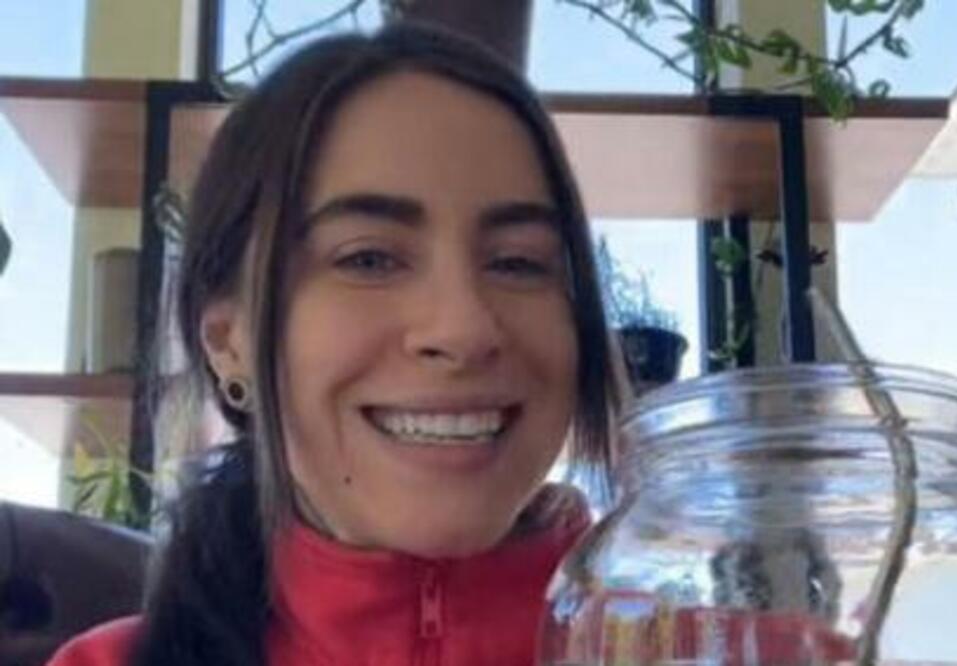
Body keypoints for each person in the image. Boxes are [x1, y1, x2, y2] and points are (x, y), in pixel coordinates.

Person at [46, 21, 621, 666]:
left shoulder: (694, 646)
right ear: (228, 340)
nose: (464, 328)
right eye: (369, 259)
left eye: (518, 262)